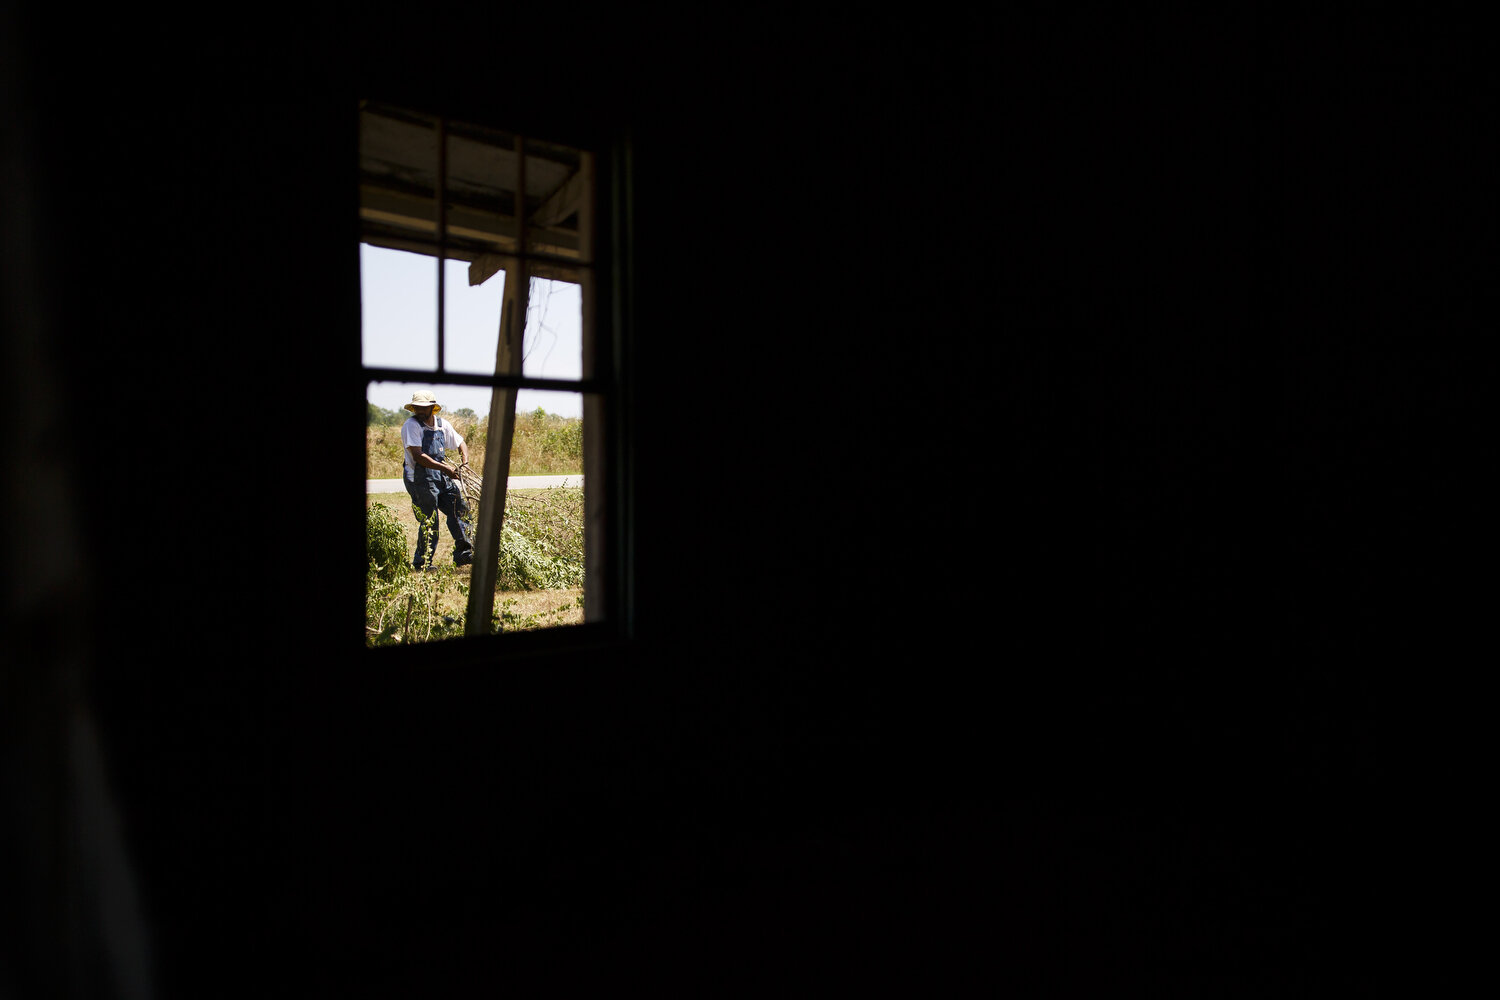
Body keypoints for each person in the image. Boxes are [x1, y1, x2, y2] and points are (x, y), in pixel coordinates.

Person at [400, 391, 475, 569]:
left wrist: (464, 463)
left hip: (440, 476)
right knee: (429, 519)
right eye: (417, 407)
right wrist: (445, 469)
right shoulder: (411, 426)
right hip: (419, 479)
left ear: (432, 408)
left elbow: (460, 443)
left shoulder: (442, 425)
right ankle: (422, 562)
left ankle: (464, 554)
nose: (419, 410)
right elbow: (418, 456)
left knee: (459, 509)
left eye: (423, 407)